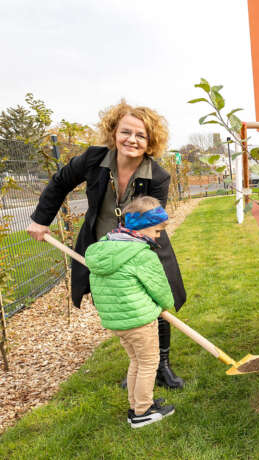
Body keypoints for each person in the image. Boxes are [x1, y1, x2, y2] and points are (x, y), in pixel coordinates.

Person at [26, 100, 187, 389]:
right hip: (101, 242)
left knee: (154, 303)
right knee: (124, 306)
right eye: (126, 132)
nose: (132, 140)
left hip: (143, 246)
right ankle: (139, 366)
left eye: (141, 135)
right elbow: (60, 182)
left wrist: (126, 252)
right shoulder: (93, 160)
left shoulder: (158, 176)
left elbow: (150, 221)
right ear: (114, 131)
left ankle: (161, 365)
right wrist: (40, 219)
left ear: (150, 141)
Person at [85, 196, 176, 428]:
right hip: (139, 320)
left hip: (117, 321)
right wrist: (166, 305)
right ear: (144, 226)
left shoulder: (106, 247)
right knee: (149, 363)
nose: (158, 236)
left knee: (136, 361)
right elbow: (159, 287)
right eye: (157, 231)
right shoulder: (141, 254)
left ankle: (137, 405)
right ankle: (143, 412)